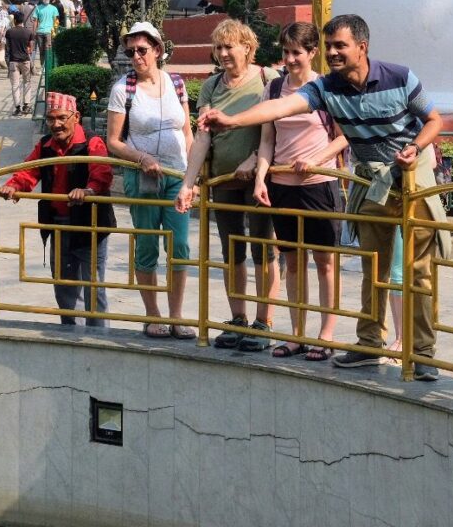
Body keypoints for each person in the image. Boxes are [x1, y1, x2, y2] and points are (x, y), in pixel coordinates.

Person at [195, 14, 448, 382]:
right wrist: (233, 121)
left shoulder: (400, 77)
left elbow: (435, 120)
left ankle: (423, 354)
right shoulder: (327, 87)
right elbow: (281, 108)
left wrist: (415, 147)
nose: (332, 52)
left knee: (417, 272)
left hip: (413, 174)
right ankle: (368, 344)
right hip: (372, 180)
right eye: (329, 46)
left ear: (362, 47)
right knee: (372, 267)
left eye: (339, 46)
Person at [180, 19, 279, 350]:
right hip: (223, 179)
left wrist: (255, 160)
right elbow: (203, 138)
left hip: (260, 179)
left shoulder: (268, 80)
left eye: (229, 46)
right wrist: (188, 183)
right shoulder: (211, 86)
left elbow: (279, 133)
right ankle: (238, 318)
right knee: (231, 250)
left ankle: (263, 322)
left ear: (247, 48)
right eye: (219, 47)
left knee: (263, 249)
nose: (223, 53)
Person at [251, 22, 348, 362]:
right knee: (293, 262)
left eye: (297, 52)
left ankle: (326, 334)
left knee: (325, 262)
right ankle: (296, 334)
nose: (290, 59)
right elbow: (267, 139)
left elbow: (342, 136)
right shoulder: (275, 88)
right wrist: (261, 177)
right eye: (286, 52)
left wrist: (316, 160)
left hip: (319, 184)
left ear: (312, 53)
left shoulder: (327, 87)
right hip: (283, 186)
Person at [106, 21, 195, 338]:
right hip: (142, 176)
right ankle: (153, 314)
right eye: (131, 52)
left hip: (176, 175)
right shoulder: (123, 89)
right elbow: (113, 141)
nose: (136, 57)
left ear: (158, 50)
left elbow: (187, 132)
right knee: (146, 245)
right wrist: (142, 158)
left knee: (180, 245)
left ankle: (176, 315)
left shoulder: (177, 84)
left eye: (142, 50)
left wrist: (193, 176)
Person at [0, 92, 115, 328]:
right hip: (59, 223)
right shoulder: (45, 145)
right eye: (51, 119)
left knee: (94, 287)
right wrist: (13, 185)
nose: (56, 124)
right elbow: (29, 170)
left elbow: (101, 172)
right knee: (63, 285)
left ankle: (98, 337)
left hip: (90, 224)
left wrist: (89, 190)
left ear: (76, 117)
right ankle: (69, 331)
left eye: (61, 118)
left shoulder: (92, 142)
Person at [5, 11, 36, 115]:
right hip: (25, 60)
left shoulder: (9, 32)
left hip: (13, 61)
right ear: (23, 20)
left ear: (14, 20)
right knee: (27, 82)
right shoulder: (28, 32)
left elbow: (8, 46)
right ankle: (26, 106)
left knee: (15, 85)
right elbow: (31, 48)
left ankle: (17, 107)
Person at [33, 0, 60, 68]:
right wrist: (34, 32)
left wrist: (55, 31)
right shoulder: (38, 8)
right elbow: (35, 21)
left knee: (48, 50)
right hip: (39, 32)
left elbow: (56, 21)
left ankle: (48, 66)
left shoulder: (54, 8)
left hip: (49, 31)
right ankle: (42, 66)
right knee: (41, 51)